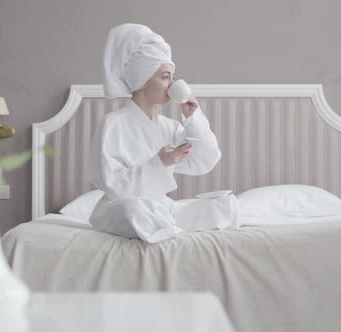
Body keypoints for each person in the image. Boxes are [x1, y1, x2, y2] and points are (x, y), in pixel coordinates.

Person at [89, 23, 238, 243]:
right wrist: (159, 163)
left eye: (173, 77)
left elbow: (204, 161)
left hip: (160, 207)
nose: (172, 84)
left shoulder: (169, 127)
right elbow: (113, 185)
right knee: (136, 208)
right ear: (142, 80)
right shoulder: (112, 124)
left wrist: (193, 118)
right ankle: (164, 226)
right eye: (165, 77)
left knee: (225, 205)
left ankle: (166, 225)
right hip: (120, 206)